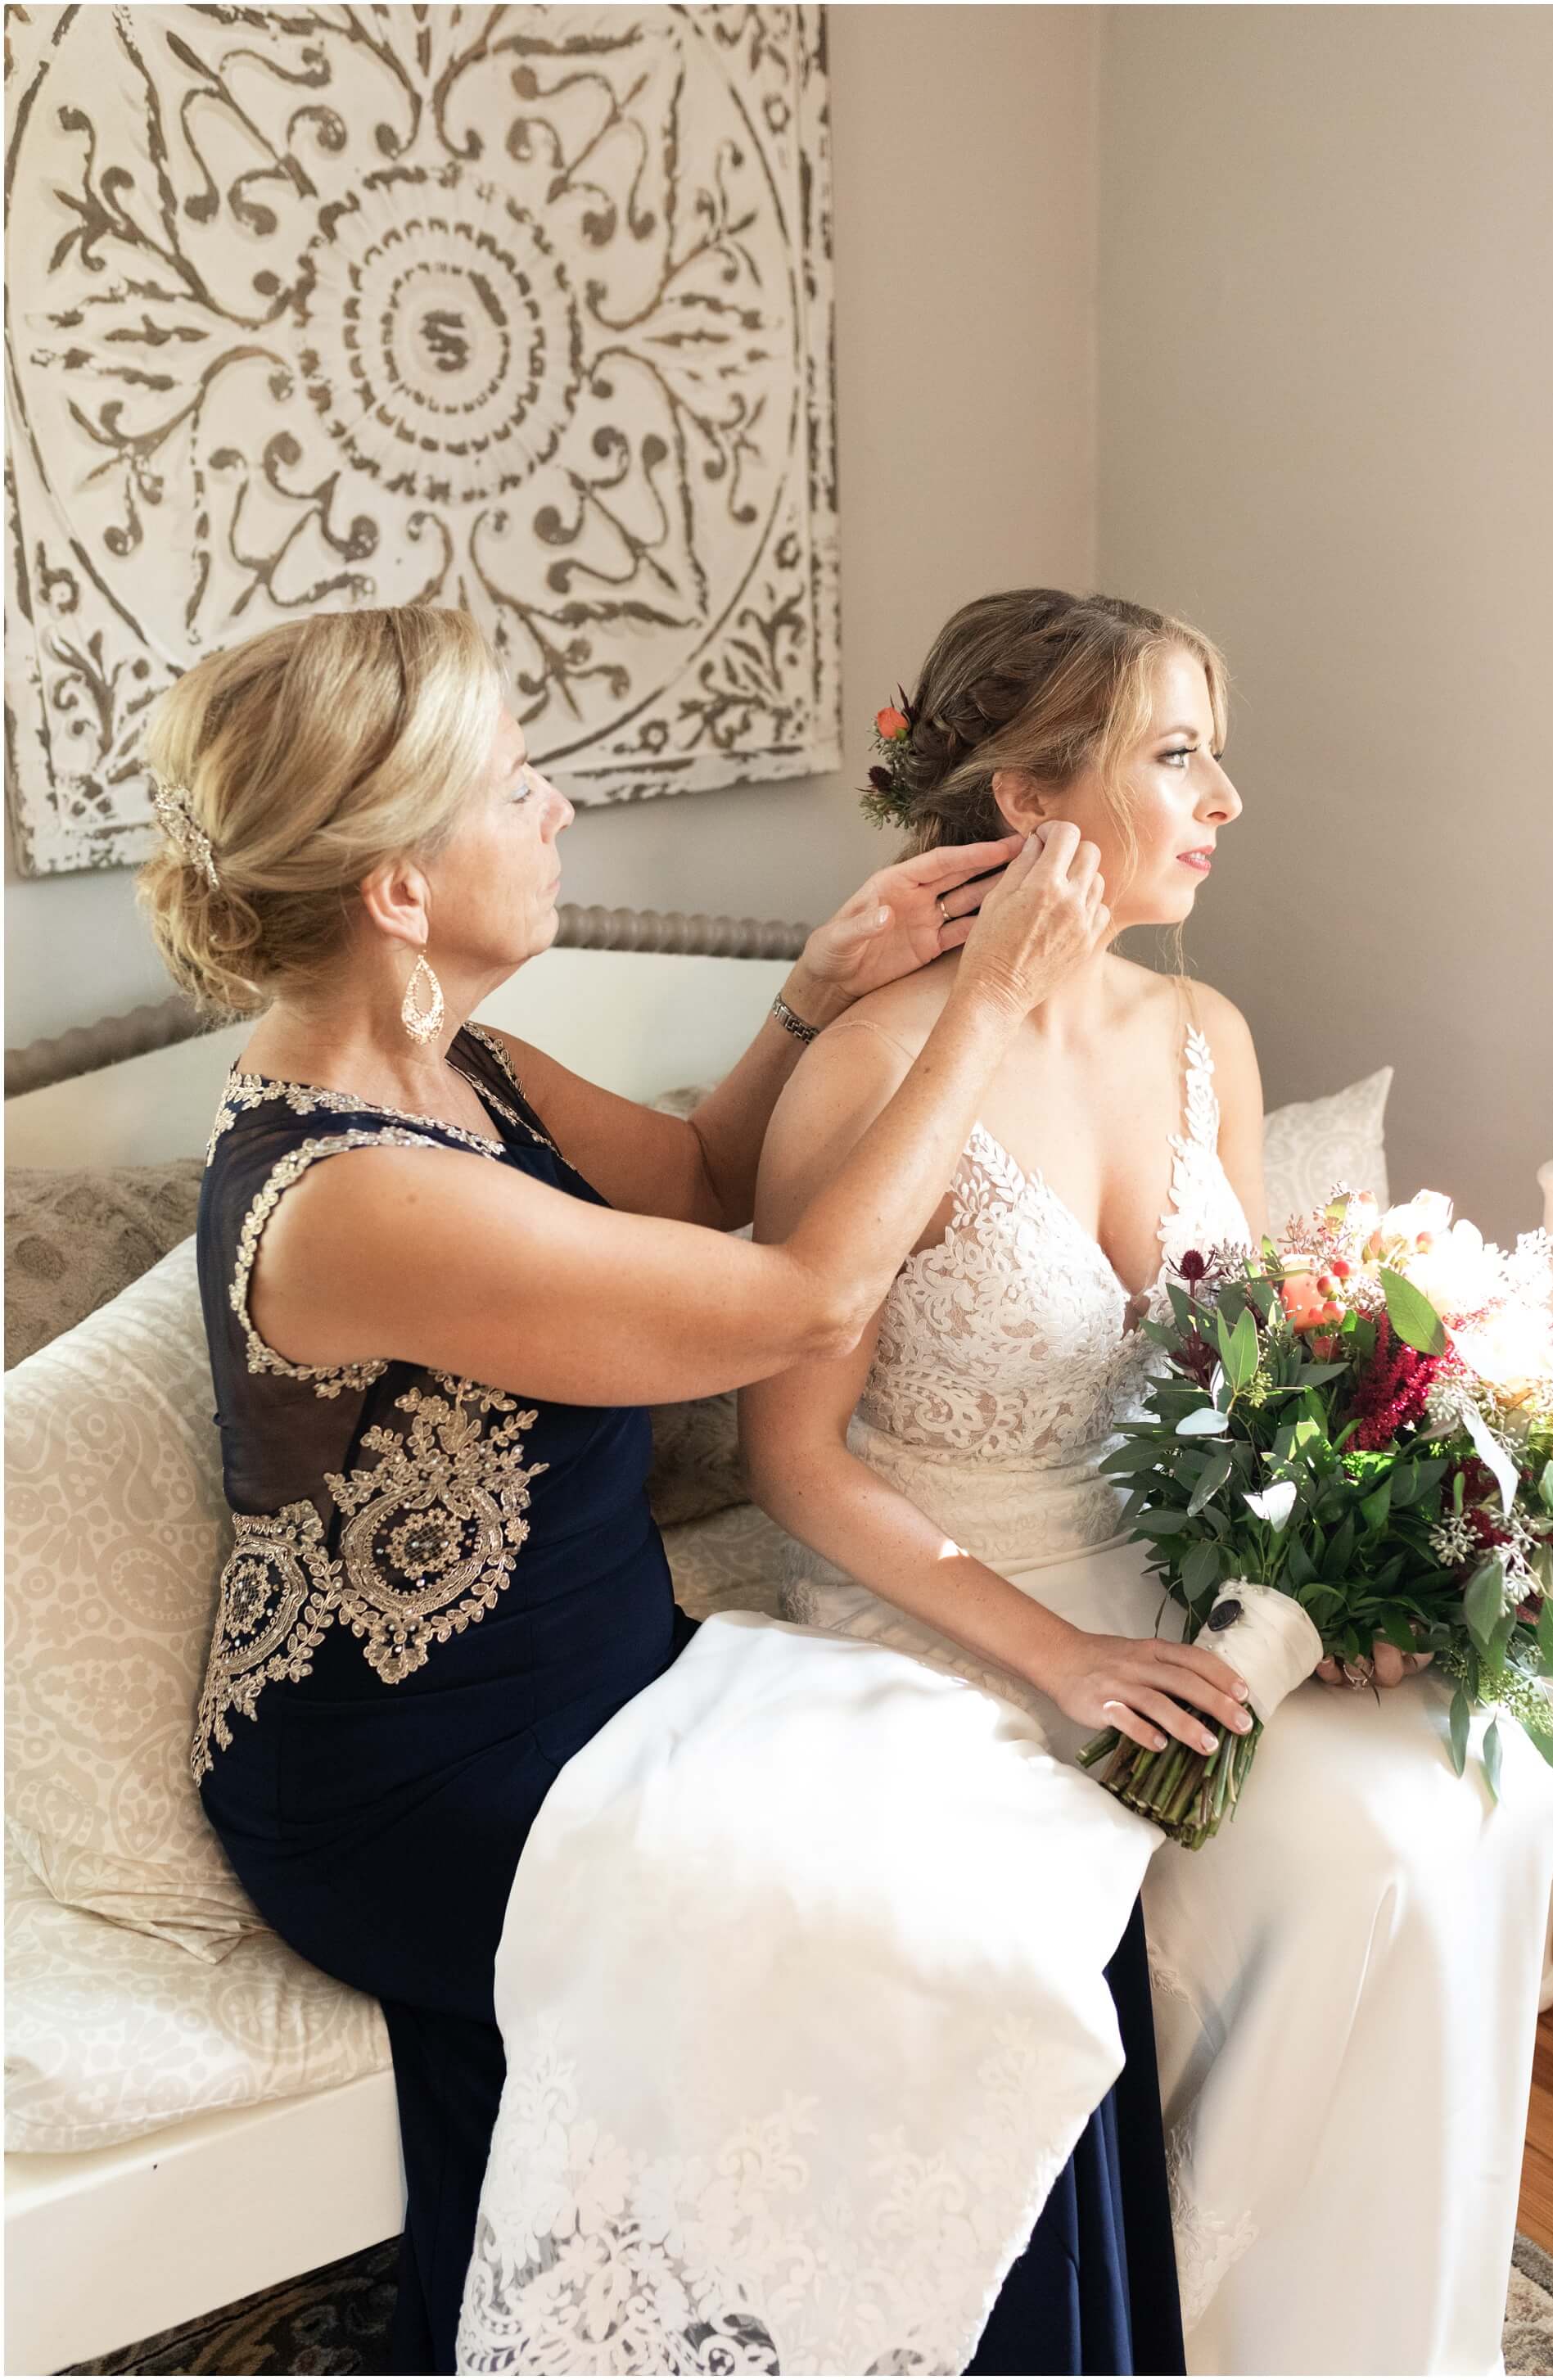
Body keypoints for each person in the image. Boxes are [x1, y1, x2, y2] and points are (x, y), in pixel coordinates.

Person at [138, 602, 1214, 2375]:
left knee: (1040, 1874)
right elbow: (797, 1298)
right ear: (399, 889)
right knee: (948, 1952)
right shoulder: (345, 1190)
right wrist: (989, 1008)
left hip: (598, 1684)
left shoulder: (461, 1067)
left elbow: (709, 1180)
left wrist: (811, 990)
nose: (556, 808)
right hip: (416, 1782)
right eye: (513, 785)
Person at [741, 588, 1553, 2375]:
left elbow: (1270, 1382)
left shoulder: (1204, 1031)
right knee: (1347, 1855)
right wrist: (1055, 1653)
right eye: (1178, 753)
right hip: (949, 1581)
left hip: (1174, 1577)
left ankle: (1379, 2333)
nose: (1227, 796)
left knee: (1484, 1792)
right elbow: (787, 1457)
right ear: (1030, 803)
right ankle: (1185, 2320)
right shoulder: (871, 1065)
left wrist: (1327, 1579)